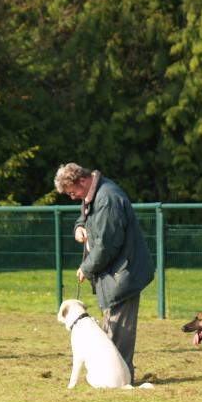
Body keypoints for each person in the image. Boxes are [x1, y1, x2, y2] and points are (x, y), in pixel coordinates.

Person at [54, 163, 153, 383]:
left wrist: (86, 267)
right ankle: (114, 377)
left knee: (119, 329)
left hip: (123, 274)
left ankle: (120, 379)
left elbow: (108, 245)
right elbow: (86, 215)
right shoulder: (93, 194)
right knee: (111, 323)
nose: (73, 198)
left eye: (72, 192)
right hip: (116, 273)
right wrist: (79, 227)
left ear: (82, 180)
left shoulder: (107, 199)